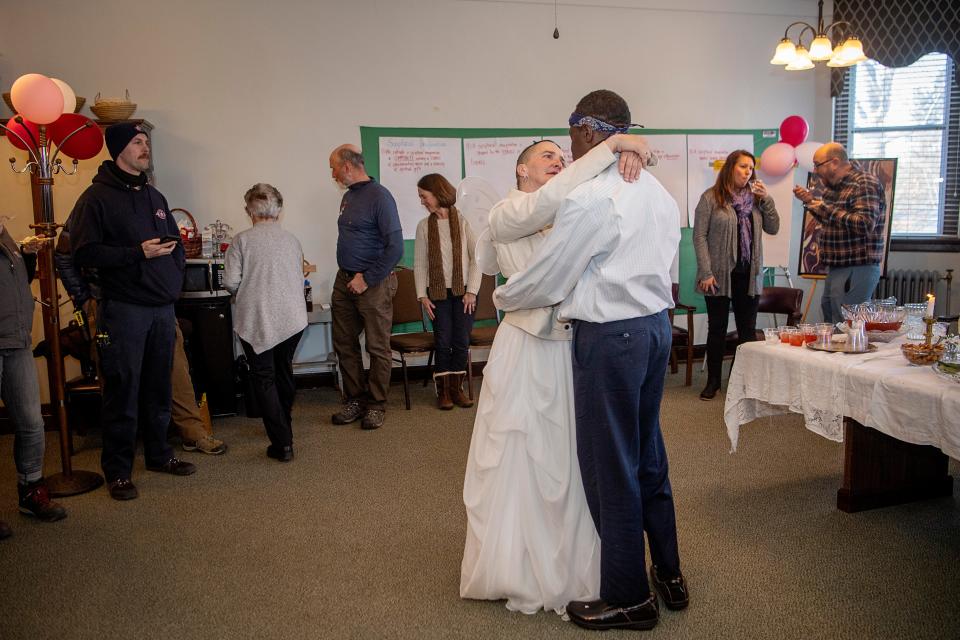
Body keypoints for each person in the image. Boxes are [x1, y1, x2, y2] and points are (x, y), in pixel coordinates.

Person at [493, 90, 688, 631]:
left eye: (569, 135)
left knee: (611, 466)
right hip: (655, 330)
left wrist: (503, 298)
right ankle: (669, 573)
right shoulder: (657, 191)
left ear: (584, 131)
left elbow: (550, 277)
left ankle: (629, 597)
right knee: (648, 454)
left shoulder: (593, 197)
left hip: (611, 338)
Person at [460, 130, 652, 614]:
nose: (558, 161)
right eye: (546, 156)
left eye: (561, 156)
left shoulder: (562, 211)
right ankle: (517, 561)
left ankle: (574, 558)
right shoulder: (507, 213)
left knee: (570, 452)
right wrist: (613, 146)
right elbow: (534, 273)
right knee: (523, 449)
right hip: (525, 348)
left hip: (570, 346)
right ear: (521, 169)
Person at [69, 122, 195, 501]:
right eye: (137, 142)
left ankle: (159, 454)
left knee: (159, 386)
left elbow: (174, 247)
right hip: (123, 309)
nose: (145, 148)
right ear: (119, 149)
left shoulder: (155, 197)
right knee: (123, 390)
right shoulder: (96, 199)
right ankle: (118, 471)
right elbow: (84, 254)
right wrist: (135, 253)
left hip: (160, 308)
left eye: (146, 142)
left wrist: (172, 284)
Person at [55, 220, 228, 455]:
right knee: (118, 377)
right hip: (111, 304)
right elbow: (64, 256)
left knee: (177, 369)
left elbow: (174, 249)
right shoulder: (91, 205)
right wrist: (83, 299)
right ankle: (122, 447)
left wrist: (170, 285)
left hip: (156, 300)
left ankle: (193, 433)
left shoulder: (151, 203)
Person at [224, 183, 307, 462]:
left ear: (249, 210)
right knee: (284, 372)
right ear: (279, 209)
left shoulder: (241, 241)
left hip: (258, 318)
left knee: (264, 377)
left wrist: (247, 290)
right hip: (292, 318)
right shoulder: (292, 240)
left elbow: (230, 282)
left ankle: (282, 442)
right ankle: (285, 425)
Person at [693, 150, 779, 400]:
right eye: (743, 167)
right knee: (717, 329)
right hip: (718, 275)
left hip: (748, 275)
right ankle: (713, 382)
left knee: (747, 332)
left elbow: (773, 228)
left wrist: (767, 200)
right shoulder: (710, 197)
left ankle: (742, 382)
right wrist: (705, 272)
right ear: (730, 168)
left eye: (751, 168)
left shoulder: (757, 200)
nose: (747, 172)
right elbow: (699, 236)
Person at [328, 144, 403, 430]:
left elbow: (395, 248)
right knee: (345, 343)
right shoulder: (348, 197)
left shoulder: (380, 197)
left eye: (334, 167)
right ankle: (356, 400)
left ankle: (376, 405)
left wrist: (366, 278)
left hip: (373, 282)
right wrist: (349, 277)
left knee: (377, 346)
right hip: (344, 280)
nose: (333, 174)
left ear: (348, 166)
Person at [0, 221, 66, 539]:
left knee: (32, 422)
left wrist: (25, 255)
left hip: (17, 341)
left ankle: (31, 491)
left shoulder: (5, 237)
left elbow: (18, 283)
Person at [792, 142, 886, 323]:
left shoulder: (864, 184)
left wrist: (825, 208)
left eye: (817, 164)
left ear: (834, 162)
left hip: (857, 267)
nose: (815, 170)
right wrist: (811, 202)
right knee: (832, 321)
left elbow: (864, 224)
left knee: (846, 326)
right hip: (836, 267)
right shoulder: (833, 188)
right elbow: (831, 221)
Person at [413, 174, 481, 410]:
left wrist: (472, 291)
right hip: (438, 294)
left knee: (461, 341)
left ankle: (457, 389)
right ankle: (443, 392)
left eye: (424, 196)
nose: (422, 201)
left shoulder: (464, 221)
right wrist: (422, 295)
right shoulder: (424, 226)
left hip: (464, 293)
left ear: (438, 193)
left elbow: (477, 258)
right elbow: (420, 264)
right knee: (443, 341)